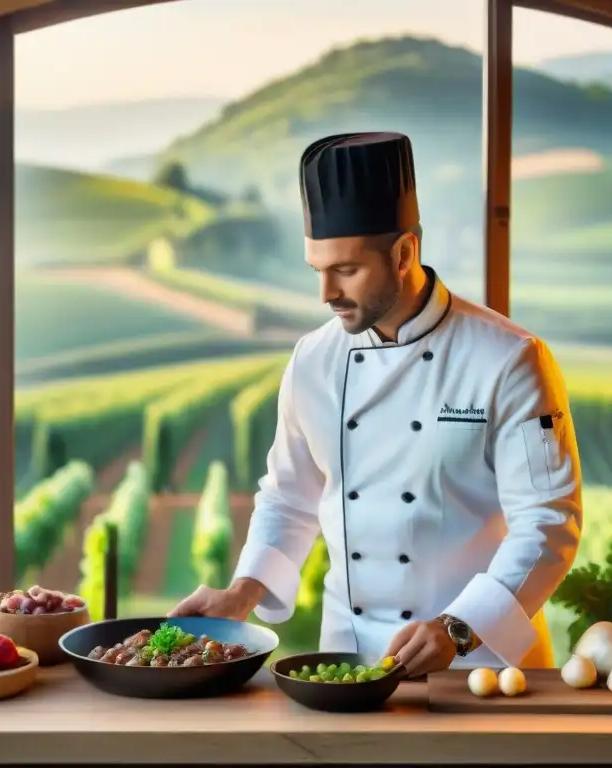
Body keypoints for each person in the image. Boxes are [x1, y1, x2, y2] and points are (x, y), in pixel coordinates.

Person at [169, 131, 583, 677]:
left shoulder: (509, 359)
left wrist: (460, 627)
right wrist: (242, 593)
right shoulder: (312, 360)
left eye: (346, 270)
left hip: (477, 668)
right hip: (349, 663)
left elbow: (548, 521)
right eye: (317, 269)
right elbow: (290, 496)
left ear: (405, 252)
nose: (326, 293)